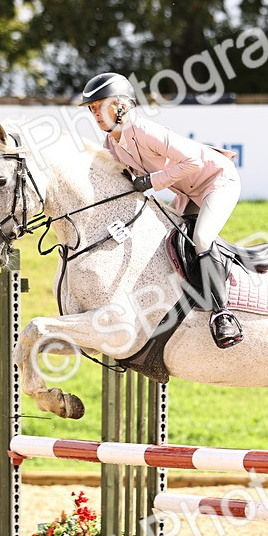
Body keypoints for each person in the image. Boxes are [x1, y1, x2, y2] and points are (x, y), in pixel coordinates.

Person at [78, 72, 244, 349]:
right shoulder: (111, 145)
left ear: (121, 105)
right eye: (92, 109)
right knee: (168, 238)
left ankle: (222, 314)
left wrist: (150, 182)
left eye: (100, 106)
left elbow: (192, 163)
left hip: (217, 180)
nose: (95, 114)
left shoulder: (143, 130)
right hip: (187, 192)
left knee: (202, 239)